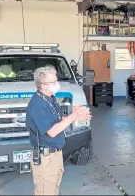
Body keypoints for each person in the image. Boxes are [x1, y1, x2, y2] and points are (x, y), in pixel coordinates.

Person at [26, 66, 92, 195]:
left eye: (57, 80)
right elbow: (52, 131)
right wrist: (73, 116)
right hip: (45, 157)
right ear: (43, 85)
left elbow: (57, 118)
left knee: (54, 190)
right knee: (46, 191)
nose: (57, 84)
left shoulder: (49, 98)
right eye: (54, 82)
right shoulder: (37, 105)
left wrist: (76, 117)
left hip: (55, 154)